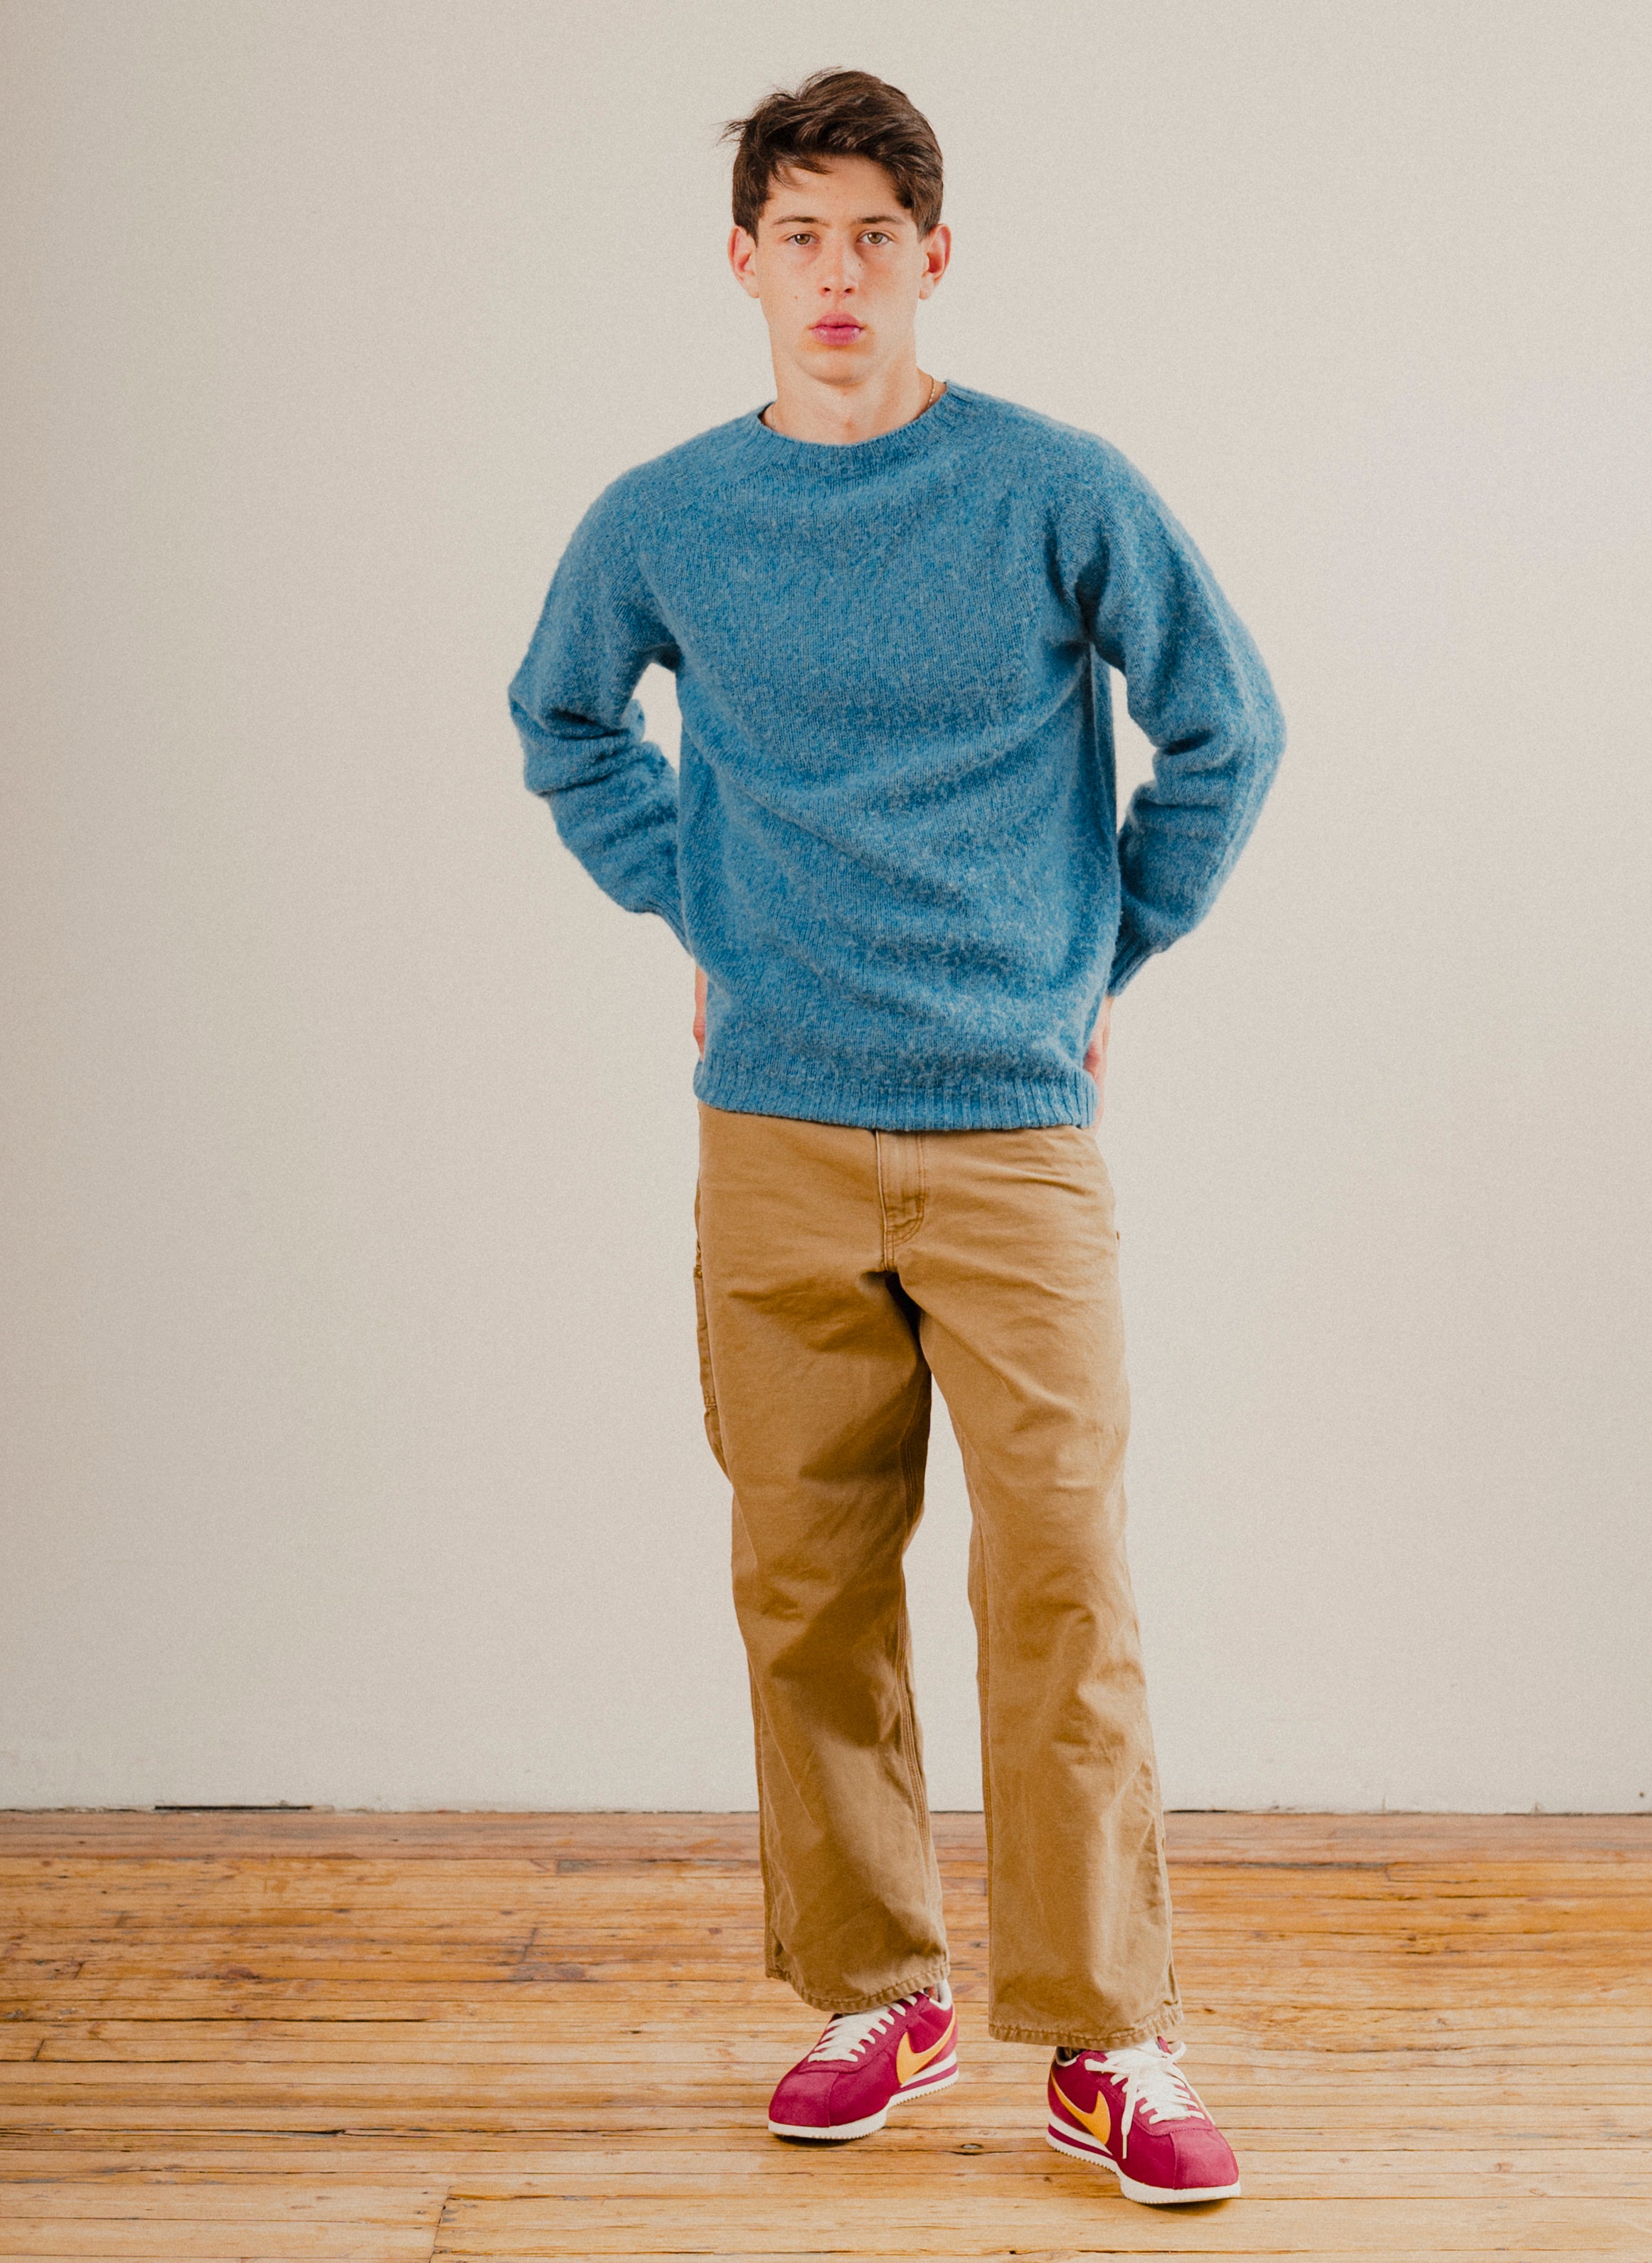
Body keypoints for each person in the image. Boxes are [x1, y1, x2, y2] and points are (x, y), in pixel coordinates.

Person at [508, 65, 1284, 2208]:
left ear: (934, 258)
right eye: (800, 236)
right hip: (771, 1128)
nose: (836, 274)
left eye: (873, 236)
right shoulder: (666, 516)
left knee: (1062, 1580)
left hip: (1010, 1128)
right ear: (741, 262)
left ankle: (1107, 2035)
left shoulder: (1054, 487)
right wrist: (697, 901)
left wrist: (1103, 949)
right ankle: (878, 1989)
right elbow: (562, 718)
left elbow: (1227, 723)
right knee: (807, 1584)